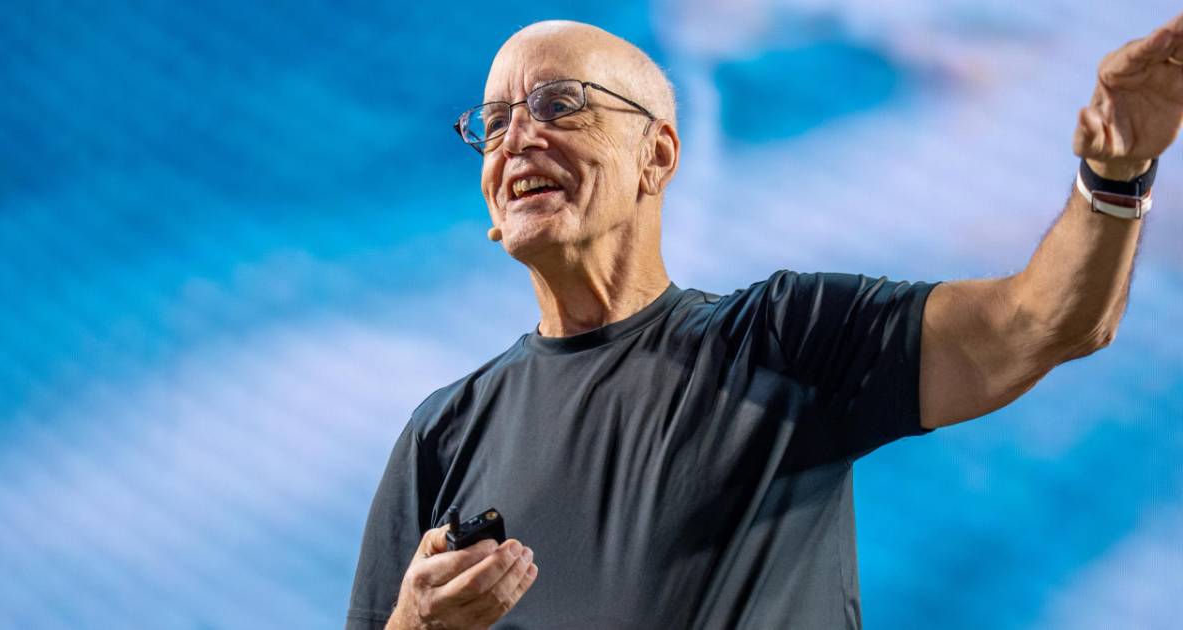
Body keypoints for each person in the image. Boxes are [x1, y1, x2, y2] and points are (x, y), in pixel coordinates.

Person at [346, 16, 1182, 630]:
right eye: (492, 124)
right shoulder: (442, 435)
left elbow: (1042, 323)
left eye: (559, 104)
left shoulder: (786, 340)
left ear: (658, 156)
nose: (516, 137)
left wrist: (1114, 172)